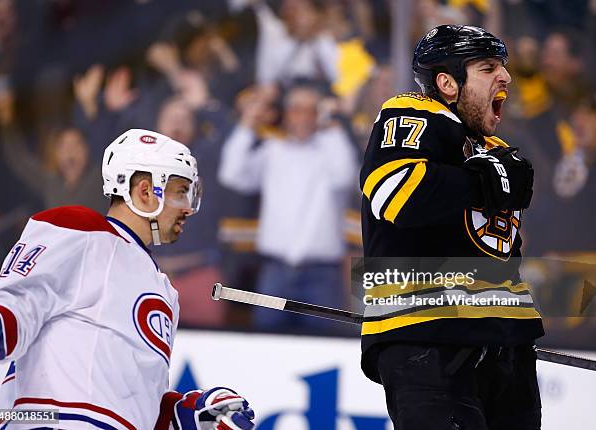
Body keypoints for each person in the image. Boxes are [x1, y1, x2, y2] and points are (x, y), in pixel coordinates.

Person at [0, 128, 255, 430]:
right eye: (180, 192)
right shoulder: (82, 230)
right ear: (145, 191)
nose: (186, 209)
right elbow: (11, 306)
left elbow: (128, 402)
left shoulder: (163, 289)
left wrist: (187, 415)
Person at [359, 25, 545, 429]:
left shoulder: (494, 150)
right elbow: (395, 193)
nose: (506, 77)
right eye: (488, 67)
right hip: (429, 340)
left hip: (507, 347)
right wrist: (482, 181)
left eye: (503, 66)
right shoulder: (414, 110)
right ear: (446, 82)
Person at [218, 83, 357, 333]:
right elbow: (232, 174)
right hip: (275, 271)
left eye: (310, 110)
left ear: (318, 115)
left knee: (325, 350)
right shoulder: (273, 150)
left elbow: (344, 175)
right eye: (296, 109)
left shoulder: (329, 150)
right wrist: (248, 124)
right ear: (286, 113)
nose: (303, 116)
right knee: (267, 347)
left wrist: (329, 125)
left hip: (322, 274)